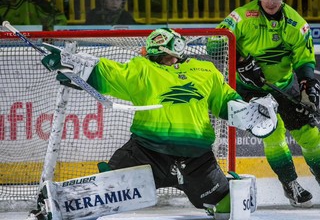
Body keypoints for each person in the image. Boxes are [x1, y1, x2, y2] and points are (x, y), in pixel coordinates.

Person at [41, 28, 278, 219]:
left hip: (197, 160)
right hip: (147, 154)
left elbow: (227, 102)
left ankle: (217, 196)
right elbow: (110, 72)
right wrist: (74, 66)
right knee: (102, 191)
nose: (168, 60)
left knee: (229, 207)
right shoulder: (142, 69)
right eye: (162, 56)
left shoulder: (205, 71)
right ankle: (51, 207)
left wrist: (255, 117)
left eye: (170, 55)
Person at [207, 0, 320, 208]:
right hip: (250, 90)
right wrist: (241, 62)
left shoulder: (296, 24)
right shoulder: (241, 17)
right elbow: (213, 42)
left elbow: (305, 59)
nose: (270, 2)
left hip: (284, 87)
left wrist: (308, 86)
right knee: (273, 131)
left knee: (310, 135)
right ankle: (290, 184)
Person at [0, 0, 67, 31]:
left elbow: (60, 19)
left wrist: (49, 36)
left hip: (34, 46)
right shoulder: (1, 3)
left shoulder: (34, 0)